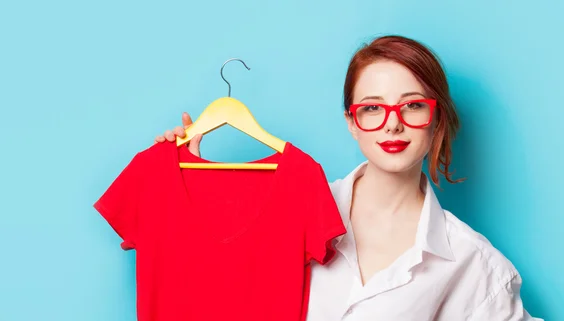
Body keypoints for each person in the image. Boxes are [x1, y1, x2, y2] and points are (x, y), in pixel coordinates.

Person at [154, 35, 541, 320]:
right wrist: (189, 179)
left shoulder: (475, 265)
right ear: (352, 123)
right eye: (373, 108)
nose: (393, 124)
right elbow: (212, 277)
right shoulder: (286, 210)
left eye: (413, 105)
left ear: (436, 120)